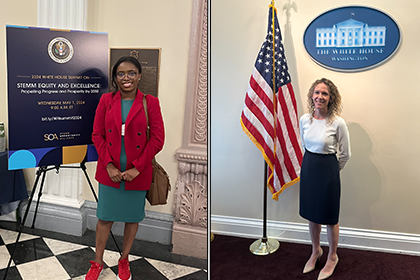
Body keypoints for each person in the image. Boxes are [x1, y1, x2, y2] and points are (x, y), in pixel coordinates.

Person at [86, 56, 165, 280]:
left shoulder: (151, 102)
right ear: (115, 78)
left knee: (132, 218)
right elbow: (97, 134)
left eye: (131, 73)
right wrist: (109, 165)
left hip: (137, 171)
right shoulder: (105, 101)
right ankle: (97, 262)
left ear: (139, 75)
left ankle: (124, 259)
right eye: (121, 74)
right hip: (110, 169)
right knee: (104, 218)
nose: (126, 78)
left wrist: (138, 168)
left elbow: (157, 139)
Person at [299, 78, 350, 280]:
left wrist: (333, 170)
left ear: (331, 98)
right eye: (317, 92)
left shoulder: (337, 122)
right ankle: (316, 251)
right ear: (312, 95)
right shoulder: (305, 120)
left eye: (325, 94)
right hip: (309, 168)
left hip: (328, 171)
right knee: (312, 214)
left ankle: (332, 256)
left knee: (329, 217)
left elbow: (346, 153)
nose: (320, 96)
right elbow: (305, 144)